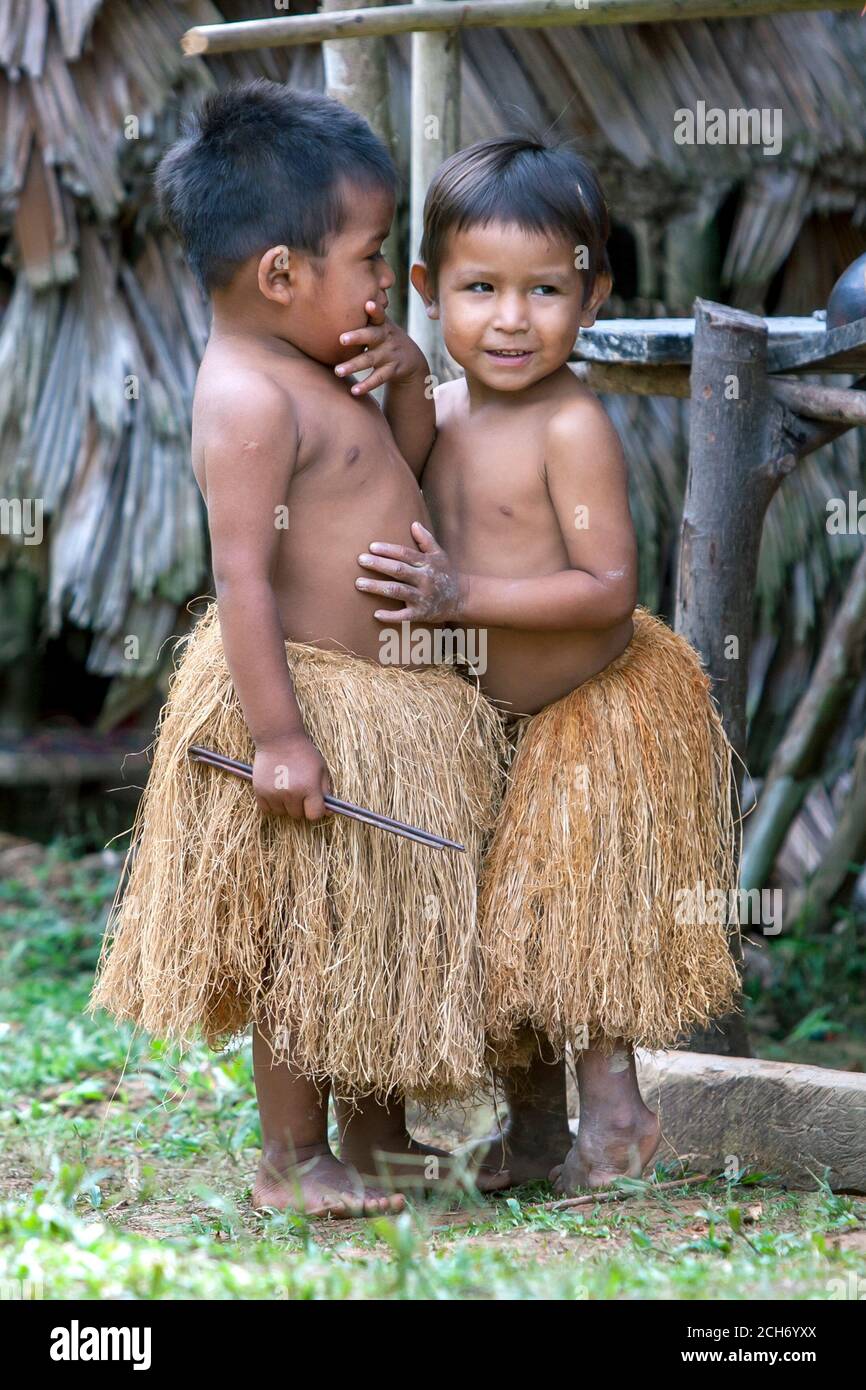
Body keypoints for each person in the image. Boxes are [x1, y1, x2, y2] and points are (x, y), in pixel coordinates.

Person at [87, 83, 508, 1219]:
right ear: (280, 273)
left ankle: (372, 1138)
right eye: (371, 258)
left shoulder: (325, 361)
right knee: (304, 941)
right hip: (310, 705)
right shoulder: (247, 398)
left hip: (386, 705)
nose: (385, 284)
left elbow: (403, 461)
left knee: (371, 930)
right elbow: (240, 580)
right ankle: (290, 1158)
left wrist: (410, 378)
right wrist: (278, 736)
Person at [354, 135, 743, 1194]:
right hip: (485, 721)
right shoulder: (440, 411)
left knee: (571, 930)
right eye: (479, 289)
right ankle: (530, 1135)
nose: (511, 318)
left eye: (543, 290)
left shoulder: (570, 424)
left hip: (583, 708)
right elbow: (391, 463)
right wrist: (394, 379)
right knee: (502, 941)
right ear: (430, 293)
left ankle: (614, 1119)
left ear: (595, 292)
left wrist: (458, 599)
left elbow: (603, 585)